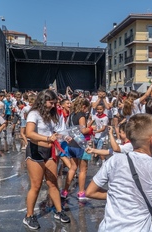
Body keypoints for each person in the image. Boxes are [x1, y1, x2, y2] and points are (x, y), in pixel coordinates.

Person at [23, 89, 70, 230]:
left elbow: (56, 132)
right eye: (51, 102)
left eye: (55, 103)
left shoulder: (52, 114)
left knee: (53, 183)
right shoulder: (34, 113)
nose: (53, 105)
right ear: (43, 101)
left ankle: (59, 211)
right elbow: (29, 133)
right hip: (35, 151)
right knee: (36, 186)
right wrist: (48, 138)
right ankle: (29, 216)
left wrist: (65, 136)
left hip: (50, 151)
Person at [61, 97, 93, 200]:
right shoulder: (81, 115)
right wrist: (92, 129)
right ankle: (81, 192)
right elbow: (83, 131)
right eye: (87, 108)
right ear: (83, 106)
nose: (87, 111)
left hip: (71, 144)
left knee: (72, 168)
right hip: (81, 144)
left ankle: (65, 191)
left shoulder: (71, 115)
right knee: (83, 169)